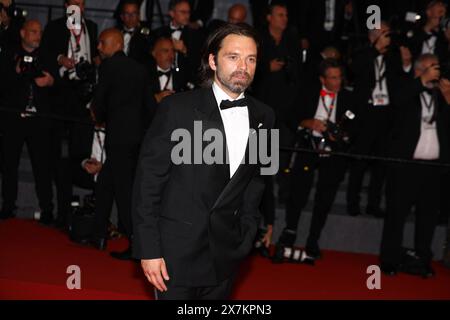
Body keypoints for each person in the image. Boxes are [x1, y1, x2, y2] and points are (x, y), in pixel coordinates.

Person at [132, 23, 275, 300]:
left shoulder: (265, 117)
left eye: (251, 58)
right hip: (176, 254)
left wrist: (247, 234)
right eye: (233, 57)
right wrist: (149, 249)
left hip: (226, 255)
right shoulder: (176, 109)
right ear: (212, 60)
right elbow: (148, 183)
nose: (243, 66)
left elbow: (258, 181)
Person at [274, 59, 355, 264]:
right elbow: (289, 116)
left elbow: (357, 129)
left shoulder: (348, 97)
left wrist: (342, 135)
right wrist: (307, 122)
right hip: (307, 149)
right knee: (297, 192)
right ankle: (290, 231)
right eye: (333, 78)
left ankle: (313, 239)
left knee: (325, 199)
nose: (338, 82)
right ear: (322, 79)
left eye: (340, 77)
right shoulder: (307, 93)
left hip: (333, 155)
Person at [380, 53, 450, 278]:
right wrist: (420, 82)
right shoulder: (407, 89)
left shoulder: (441, 95)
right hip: (405, 166)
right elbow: (395, 101)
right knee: (396, 215)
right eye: (431, 68)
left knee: (427, 218)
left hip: (433, 169)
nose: (435, 73)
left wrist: (449, 97)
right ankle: (389, 260)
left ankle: (422, 260)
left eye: (436, 69)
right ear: (419, 70)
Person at [90, 28, 155, 258]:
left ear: (116, 44)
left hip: (118, 138)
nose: (98, 47)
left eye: (102, 43)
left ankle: (137, 245)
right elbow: (149, 106)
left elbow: (100, 100)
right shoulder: (140, 69)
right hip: (136, 138)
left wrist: (98, 115)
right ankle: (98, 234)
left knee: (124, 192)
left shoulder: (108, 67)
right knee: (106, 184)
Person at [0, 20, 55, 221]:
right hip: (14, 118)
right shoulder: (9, 54)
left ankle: (47, 209)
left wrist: (51, 81)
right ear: (23, 33)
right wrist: (15, 72)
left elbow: (59, 85)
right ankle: (7, 206)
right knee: (9, 164)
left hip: (39, 119)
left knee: (42, 165)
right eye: (33, 31)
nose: (37, 35)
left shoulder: (46, 55)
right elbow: (3, 84)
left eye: (39, 32)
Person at [148, 35, 189, 103]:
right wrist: (155, 99)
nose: (171, 55)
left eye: (173, 51)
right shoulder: (145, 74)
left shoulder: (180, 74)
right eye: (166, 51)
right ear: (154, 53)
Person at [118, 0, 152, 65]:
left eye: (134, 13)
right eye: (127, 13)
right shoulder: (115, 32)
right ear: (122, 16)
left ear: (139, 16)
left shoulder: (146, 35)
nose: (131, 17)